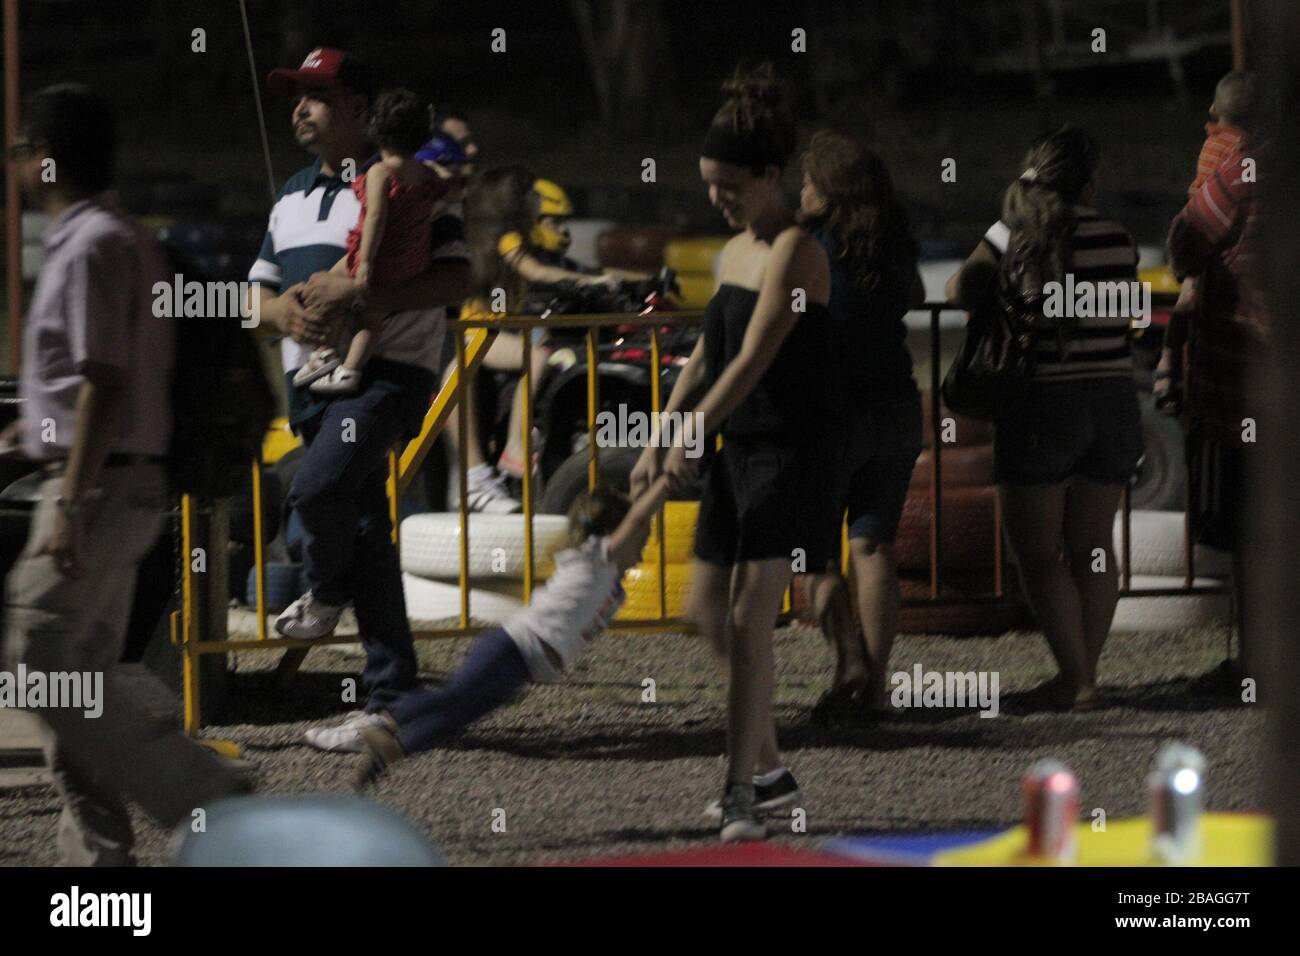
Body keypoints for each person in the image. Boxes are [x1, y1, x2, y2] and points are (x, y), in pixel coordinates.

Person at [1, 83, 240, 865]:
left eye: (18, 150)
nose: (14, 166)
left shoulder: (90, 246)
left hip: (96, 495)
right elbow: (90, 389)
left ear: (45, 159)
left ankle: (207, 795)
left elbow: (106, 383)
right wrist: (34, 434)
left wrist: (67, 498)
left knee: (34, 658)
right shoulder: (123, 238)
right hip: (115, 482)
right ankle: (99, 876)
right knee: (75, 690)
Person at [630, 64, 845, 841]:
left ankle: (741, 795)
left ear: (770, 176)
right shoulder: (730, 256)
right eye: (708, 185)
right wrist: (663, 433)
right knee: (705, 614)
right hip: (736, 451)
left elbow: (754, 359)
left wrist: (690, 435)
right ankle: (774, 766)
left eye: (729, 186)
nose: (717, 199)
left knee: (752, 619)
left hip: (792, 453)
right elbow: (706, 357)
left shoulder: (797, 252)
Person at [249, 48, 471, 752]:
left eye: (317, 94)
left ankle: (328, 593)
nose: (299, 108)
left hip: (382, 378)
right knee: (369, 533)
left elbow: (458, 280)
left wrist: (363, 292)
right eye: (296, 94)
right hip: (312, 393)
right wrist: (281, 314)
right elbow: (253, 296)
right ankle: (394, 701)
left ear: (362, 111)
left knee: (314, 494)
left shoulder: (415, 185)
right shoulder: (287, 193)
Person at [945, 126, 1142, 713]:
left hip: (1043, 408)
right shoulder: (1119, 236)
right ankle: (1089, 673)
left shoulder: (1016, 235)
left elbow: (960, 288)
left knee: (1038, 554)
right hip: (1113, 403)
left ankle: (1074, 680)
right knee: (1094, 547)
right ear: (1087, 182)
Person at [354, 476, 670, 787]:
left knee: (462, 713)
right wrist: (669, 479)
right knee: (454, 697)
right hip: (510, 646)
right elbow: (639, 515)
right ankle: (388, 719)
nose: (641, 554)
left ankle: (393, 749)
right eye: (639, 543)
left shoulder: (608, 576)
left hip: (524, 665)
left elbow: (638, 499)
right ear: (614, 533)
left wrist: (652, 466)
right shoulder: (594, 557)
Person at [795, 131, 926, 725]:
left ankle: (847, 663)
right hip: (896, 406)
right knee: (872, 547)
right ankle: (876, 692)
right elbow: (916, 298)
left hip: (830, 412)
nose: (801, 190)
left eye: (809, 181)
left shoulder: (809, 248)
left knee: (812, 551)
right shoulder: (894, 247)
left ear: (830, 192)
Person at [444, 167, 616, 509]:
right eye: (532, 196)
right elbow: (534, 271)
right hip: (481, 333)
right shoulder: (509, 237)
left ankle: (516, 447)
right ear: (515, 202)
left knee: (538, 355)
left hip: (485, 331)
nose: (537, 202)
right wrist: (589, 283)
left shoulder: (488, 236)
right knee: (537, 358)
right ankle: (515, 447)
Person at [1167, 102, 1269, 679]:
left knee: (1254, 528)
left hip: (1247, 381)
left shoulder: (1243, 172)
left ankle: (1259, 663)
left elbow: (1184, 245)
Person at [293, 88, 447, 397]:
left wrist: (365, 262)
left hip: (378, 255)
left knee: (326, 286)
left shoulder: (380, 172)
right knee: (372, 321)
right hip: (409, 261)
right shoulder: (425, 174)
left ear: (378, 129)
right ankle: (350, 370)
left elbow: (375, 217)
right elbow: (447, 189)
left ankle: (325, 353)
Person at [1154, 71, 1257, 415]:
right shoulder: (1241, 153)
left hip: (1200, 234)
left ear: (1213, 108)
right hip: (1207, 240)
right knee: (1189, 300)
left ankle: (1167, 370)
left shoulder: (1213, 144)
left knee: (1183, 309)